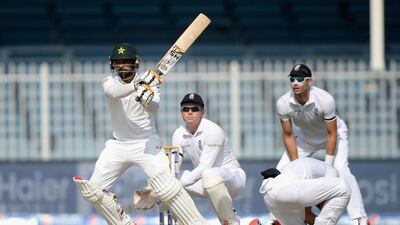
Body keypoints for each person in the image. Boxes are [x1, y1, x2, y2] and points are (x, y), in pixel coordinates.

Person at [73, 43, 208, 225]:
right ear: (112, 64)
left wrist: (147, 97)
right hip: (118, 145)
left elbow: (154, 108)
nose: (122, 66)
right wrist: (138, 85)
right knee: (92, 191)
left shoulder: (150, 84)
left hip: (146, 144)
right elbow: (113, 92)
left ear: (136, 62)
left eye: (126, 62)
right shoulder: (109, 81)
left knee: (167, 187)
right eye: (118, 62)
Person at [275, 64, 369, 225]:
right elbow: (289, 135)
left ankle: (360, 219)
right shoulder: (283, 103)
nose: (295, 83)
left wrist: (329, 168)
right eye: (292, 79)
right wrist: (297, 165)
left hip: (334, 135)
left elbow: (331, 133)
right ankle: (277, 220)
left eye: (299, 79)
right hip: (306, 137)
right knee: (281, 172)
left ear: (309, 81)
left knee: (342, 171)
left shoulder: (325, 100)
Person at [171, 93, 246, 225]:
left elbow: (204, 167)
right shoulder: (178, 133)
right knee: (171, 178)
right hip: (204, 180)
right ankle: (190, 222)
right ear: (181, 112)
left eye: (194, 109)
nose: (189, 112)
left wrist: (177, 185)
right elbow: (174, 165)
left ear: (202, 112)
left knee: (208, 175)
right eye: (185, 108)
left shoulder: (213, 130)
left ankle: (231, 221)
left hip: (232, 178)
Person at [259, 157, 351, 225]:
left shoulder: (309, 170)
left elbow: (308, 215)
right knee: (343, 187)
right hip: (283, 188)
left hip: (267, 195)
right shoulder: (331, 172)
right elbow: (322, 209)